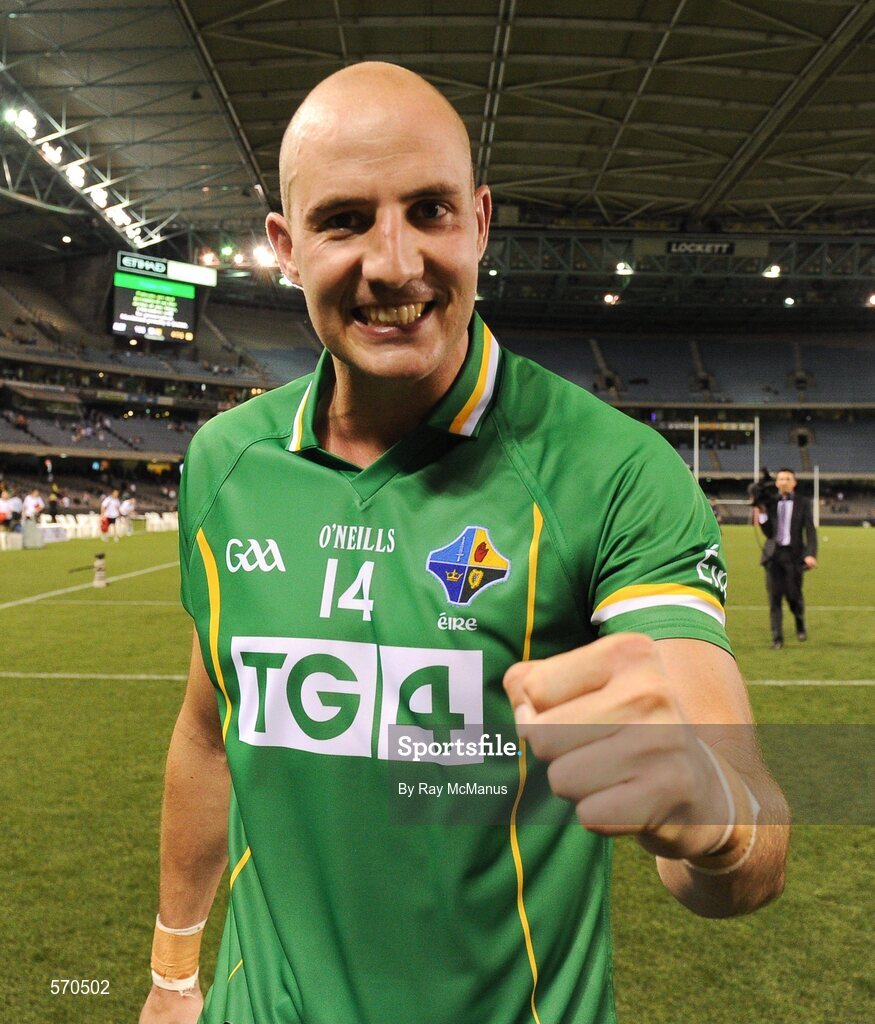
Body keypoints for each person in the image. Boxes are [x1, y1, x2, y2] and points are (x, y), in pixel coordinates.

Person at [140, 63, 789, 1024]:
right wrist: (171, 974)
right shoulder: (227, 461)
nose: (393, 263)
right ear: (284, 246)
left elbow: (749, 847)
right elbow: (207, 730)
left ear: (479, 221)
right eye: (344, 219)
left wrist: (716, 821)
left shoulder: (613, 472)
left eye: (430, 210)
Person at [754, 467, 817, 649]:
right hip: (773, 555)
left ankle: (799, 622)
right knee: (774, 598)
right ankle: (777, 638)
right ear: (776, 482)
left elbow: (810, 530)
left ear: (794, 482)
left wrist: (811, 554)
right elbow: (768, 533)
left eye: (788, 478)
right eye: (781, 479)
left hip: (794, 556)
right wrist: (762, 511)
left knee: (793, 596)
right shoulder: (770, 501)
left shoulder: (803, 502)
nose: (784, 482)